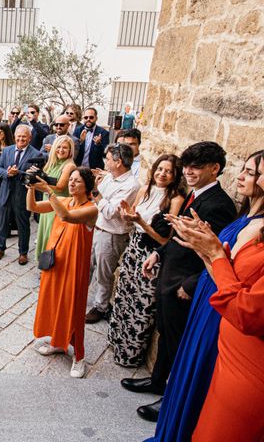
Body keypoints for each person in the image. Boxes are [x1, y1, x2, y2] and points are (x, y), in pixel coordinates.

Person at [144, 150, 264, 441]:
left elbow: (230, 267)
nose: (242, 175)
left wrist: (208, 257)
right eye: (244, 169)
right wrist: (202, 242)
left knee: (197, 367)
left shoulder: (228, 208)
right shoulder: (245, 212)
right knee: (183, 352)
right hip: (211, 291)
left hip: (219, 300)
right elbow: (219, 251)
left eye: (251, 172)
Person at [121, 142, 237, 423]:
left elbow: (216, 252)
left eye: (195, 167)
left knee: (178, 343)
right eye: (186, 166)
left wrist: (193, 285)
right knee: (165, 334)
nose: (188, 172)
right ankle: (158, 380)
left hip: (184, 286)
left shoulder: (219, 205)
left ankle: (170, 398)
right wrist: (158, 255)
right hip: (169, 275)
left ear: (214, 169)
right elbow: (180, 237)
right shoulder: (195, 196)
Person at [108, 154, 185, 367]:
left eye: (168, 171)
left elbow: (166, 239)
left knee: (141, 305)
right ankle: (116, 341)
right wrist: (128, 217)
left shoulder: (176, 200)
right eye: (160, 169)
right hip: (133, 248)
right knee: (124, 295)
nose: (162, 174)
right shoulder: (144, 189)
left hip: (152, 255)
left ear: (175, 175)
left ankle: (129, 354)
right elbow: (132, 217)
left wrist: (141, 221)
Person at [27, 167, 98, 377]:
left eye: (77, 181)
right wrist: (30, 187)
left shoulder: (91, 209)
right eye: (71, 180)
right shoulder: (64, 200)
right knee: (53, 302)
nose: (72, 183)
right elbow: (32, 206)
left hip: (74, 267)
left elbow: (66, 216)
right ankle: (59, 342)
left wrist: (49, 191)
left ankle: (79, 356)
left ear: (87, 186)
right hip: (55, 263)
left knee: (73, 309)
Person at [85, 143, 140, 323]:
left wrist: (95, 191)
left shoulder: (131, 185)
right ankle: (81, 295)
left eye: (108, 159)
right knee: (89, 264)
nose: (105, 161)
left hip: (111, 234)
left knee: (104, 272)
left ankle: (101, 306)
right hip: (97, 227)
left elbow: (109, 212)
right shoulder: (110, 177)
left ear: (118, 162)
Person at [0, 124, 41, 265]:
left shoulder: (35, 154)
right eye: (18, 136)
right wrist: (7, 173)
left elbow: (35, 176)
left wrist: (18, 173)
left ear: (29, 138)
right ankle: (0, 248)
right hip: (6, 192)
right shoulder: (7, 150)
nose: (21, 139)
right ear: (14, 137)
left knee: (23, 224)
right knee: (2, 222)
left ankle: (23, 252)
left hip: (22, 194)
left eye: (24, 136)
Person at [34, 136, 77, 260]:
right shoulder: (52, 162)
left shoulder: (69, 165)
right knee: (45, 231)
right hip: (47, 200)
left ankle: (50, 263)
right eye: (58, 147)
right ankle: (44, 262)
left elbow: (60, 186)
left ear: (70, 151)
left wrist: (39, 183)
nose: (61, 150)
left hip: (58, 205)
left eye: (65, 148)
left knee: (52, 234)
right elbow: (44, 180)